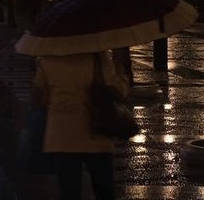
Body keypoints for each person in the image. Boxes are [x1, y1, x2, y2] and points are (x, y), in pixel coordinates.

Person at [30, 49, 130, 200]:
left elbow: (38, 99)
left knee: (69, 192)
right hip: (96, 133)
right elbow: (117, 92)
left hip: (61, 136)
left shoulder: (48, 58)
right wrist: (121, 75)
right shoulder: (98, 57)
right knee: (104, 191)